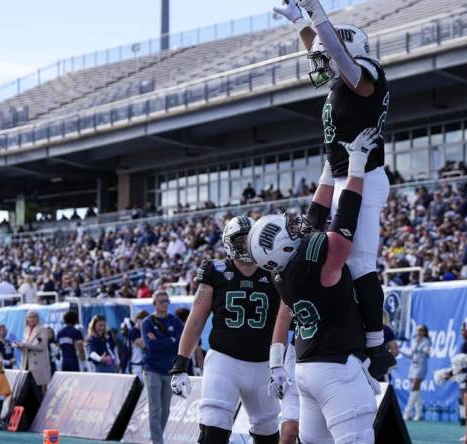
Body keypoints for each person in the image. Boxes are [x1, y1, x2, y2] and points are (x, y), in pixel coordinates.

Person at [273, 0, 395, 379]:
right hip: (342, 176)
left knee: (359, 264)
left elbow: (338, 57)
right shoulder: (344, 78)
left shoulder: (366, 76)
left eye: (334, 55)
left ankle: (376, 348)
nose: (321, 62)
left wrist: (319, 14)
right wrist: (300, 22)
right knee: (328, 262)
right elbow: (324, 51)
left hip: (363, 177)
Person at [248, 128, 381, 443]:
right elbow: (345, 217)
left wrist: (329, 167)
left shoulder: (280, 272)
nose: (296, 227)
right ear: (281, 247)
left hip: (308, 368)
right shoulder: (312, 258)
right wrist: (357, 165)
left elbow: (315, 215)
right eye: (287, 230)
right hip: (336, 368)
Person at [171, 216, 281, 444]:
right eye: (240, 240)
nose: (246, 245)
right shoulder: (216, 270)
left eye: (250, 239)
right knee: (214, 426)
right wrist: (181, 362)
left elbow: (287, 318)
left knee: (267, 430)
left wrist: (283, 362)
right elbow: (196, 318)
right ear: (229, 242)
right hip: (224, 361)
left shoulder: (274, 272)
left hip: (264, 364)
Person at [143, 291, 183, 444]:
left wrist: (162, 340)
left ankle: (157, 438)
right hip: (152, 369)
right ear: (154, 304)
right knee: (155, 408)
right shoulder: (147, 322)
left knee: (165, 410)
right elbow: (151, 346)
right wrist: (170, 340)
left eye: (167, 301)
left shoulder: (175, 321)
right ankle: (157, 442)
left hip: (169, 369)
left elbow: (179, 342)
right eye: (161, 301)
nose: (165, 303)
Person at [15, 310, 51, 392]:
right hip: (27, 363)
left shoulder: (42, 329)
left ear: (37, 318)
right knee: (27, 389)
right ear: (27, 319)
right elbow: (27, 346)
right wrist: (19, 346)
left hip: (38, 364)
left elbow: (41, 346)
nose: (32, 319)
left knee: (39, 390)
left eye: (34, 317)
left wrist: (24, 345)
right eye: (30, 317)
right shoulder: (26, 329)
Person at [401, 325, 431, 421]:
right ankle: (419, 413)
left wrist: (425, 351)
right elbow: (410, 354)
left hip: (421, 366)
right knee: (416, 390)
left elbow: (427, 354)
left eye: (421, 330)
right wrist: (400, 351)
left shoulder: (427, 341)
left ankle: (407, 413)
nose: (419, 332)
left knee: (414, 388)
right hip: (413, 366)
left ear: (425, 332)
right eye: (418, 330)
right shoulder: (414, 340)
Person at [173, 308, 204, 376]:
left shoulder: (172, 332)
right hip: (187, 369)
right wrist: (202, 370)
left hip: (172, 368)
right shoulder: (193, 332)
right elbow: (199, 355)